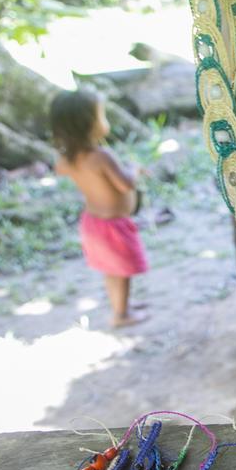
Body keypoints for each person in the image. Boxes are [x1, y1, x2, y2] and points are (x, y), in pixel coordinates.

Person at [52, 90, 149, 328]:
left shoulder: (69, 159)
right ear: (90, 124)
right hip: (114, 226)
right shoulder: (102, 156)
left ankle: (121, 305)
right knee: (123, 271)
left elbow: (60, 169)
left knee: (112, 270)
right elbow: (125, 183)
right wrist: (134, 169)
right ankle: (121, 315)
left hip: (93, 224)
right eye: (101, 116)